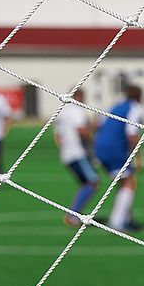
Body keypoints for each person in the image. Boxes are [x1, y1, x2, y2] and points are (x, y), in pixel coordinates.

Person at [93, 84, 144, 232]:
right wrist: (138, 157)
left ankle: (126, 219)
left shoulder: (117, 106)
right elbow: (132, 133)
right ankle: (117, 222)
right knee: (130, 183)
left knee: (123, 182)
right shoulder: (135, 108)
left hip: (101, 146)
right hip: (114, 148)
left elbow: (100, 124)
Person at [54, 88, 100, 226]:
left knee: (86, 184)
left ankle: (74, 214)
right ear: (80, 96)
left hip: (66, 154)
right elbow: (81, 130)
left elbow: (58, 136)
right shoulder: (77, 111)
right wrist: (93, 142)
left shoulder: (63, 112)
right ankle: (72, 215)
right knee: (93, 182)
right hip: (78, 153)